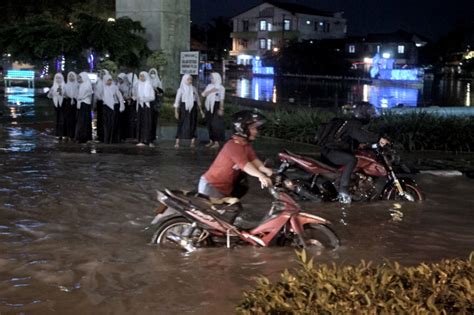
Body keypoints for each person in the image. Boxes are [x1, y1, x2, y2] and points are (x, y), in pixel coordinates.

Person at [320, 102, 390, 204]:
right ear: (363, 113)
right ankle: (343, 190)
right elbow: (361, 136)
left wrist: (367, 146)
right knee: (352, 159)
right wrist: (378, 138)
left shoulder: (351, 123)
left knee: (358, 155)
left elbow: (352, 140)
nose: (370, 116)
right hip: (331, 152)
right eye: (369, 113)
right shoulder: (353, 123)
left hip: (332, 150)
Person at [198, 110, 273, 199]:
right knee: (212, 212)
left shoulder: (245, 145)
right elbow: (245, 165)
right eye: (253, 128)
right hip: (211, 186)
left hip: (225, 188)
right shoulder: (233, 146)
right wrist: (261, 176)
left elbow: (253, 160)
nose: (256, 131)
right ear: (242, 129)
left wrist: (266, 170)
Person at [173, 74, 204, 148]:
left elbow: (198, 99)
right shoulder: (181, 89)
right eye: (188, 79)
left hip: (193, 108)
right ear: (184, 80)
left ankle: (192, 142)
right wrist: (176, 111)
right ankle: (177, 141)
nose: (190, 81)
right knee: (181, 123)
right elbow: (177, 101)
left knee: (192, 123)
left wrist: (201, 110)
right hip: (184, 108)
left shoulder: (193, 89)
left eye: (191, 79)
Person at [201, 72, 226, 149]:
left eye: (212, 78)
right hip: (208, 107)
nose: (211, 79)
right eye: (211, 77)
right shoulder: (209, 86)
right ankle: (211, 140)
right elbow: (203, 94)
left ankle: (217, 142)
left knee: (215, 124)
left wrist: (221, 108)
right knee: (209, 124)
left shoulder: (221, 88)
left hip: (216, 106)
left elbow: (222, 99)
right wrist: (211, 91)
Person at [102, 74, 125, 144]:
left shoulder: (114, 87)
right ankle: (106, 139)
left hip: (114, 107)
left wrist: (121, 106)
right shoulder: (103, 88)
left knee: (113, 124)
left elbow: (120, 97)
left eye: (110, 80)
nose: (109, 82)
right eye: (108, 80)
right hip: (106, 107)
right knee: (106, 124)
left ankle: (113, 139)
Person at [136, 71, 156, 147]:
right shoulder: (138, 85)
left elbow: (152, 97)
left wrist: (144, 99)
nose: (141, 77)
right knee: (140, 122)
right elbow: (136, 95)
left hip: (147, 106)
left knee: (148, 123)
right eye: (140, 76)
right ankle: (141, 140)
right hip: (140, 106)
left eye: (143, 76)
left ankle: (149, 140)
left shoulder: (149, 85)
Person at [75, 72, 94, 143]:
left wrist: (79, 98)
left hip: (85, 104)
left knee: (84, 122)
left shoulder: (87, 85)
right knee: (81, 122)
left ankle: (84, 137)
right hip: (82, 105)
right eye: (79, 78)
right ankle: (81, 137)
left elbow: (81, 96)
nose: (79, 79)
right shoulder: (81, 85)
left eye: (80, 78)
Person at [47, 73, 66, 139]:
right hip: (55, 104)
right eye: (57, 78)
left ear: (62, 78)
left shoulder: (64, 86)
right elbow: (49, 96)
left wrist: (62, 93)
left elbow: (65, 95)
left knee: (62, 119)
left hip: (63, 104)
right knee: (57, 119)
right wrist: (51, 93)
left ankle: (63, 134)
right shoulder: (53, 86)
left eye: (59, 78)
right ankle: (57, 134)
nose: (58, 79)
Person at [148, 68, 163, 143]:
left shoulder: (158, 82)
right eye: (151, 73)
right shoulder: (147, 81)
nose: (152, 74)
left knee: (154, 120)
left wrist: (157, 90)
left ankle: (153, 136)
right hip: (148, 102)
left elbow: (161, 92)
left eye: (154, 73)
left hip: (155, 102)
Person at [94, 69, 109, 142]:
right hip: (99, 102)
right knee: (99, 118)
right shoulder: (98, 82)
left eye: (104, 74)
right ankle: (99, 134)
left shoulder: (107, 82)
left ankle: (104, 135)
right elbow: (96, 91)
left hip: (106, 102)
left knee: (104, 118)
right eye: (101, 73)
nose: (102, 75)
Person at [63, 72, 79, 140]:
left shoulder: (78, 85)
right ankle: (68, 134)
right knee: (68, 118)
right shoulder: (65, 85)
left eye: (72, 76)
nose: (71, 77)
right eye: (70, 76)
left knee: (75, 118)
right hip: (68, 102)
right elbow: (62, 94)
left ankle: (75, 134)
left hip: (76, 102)